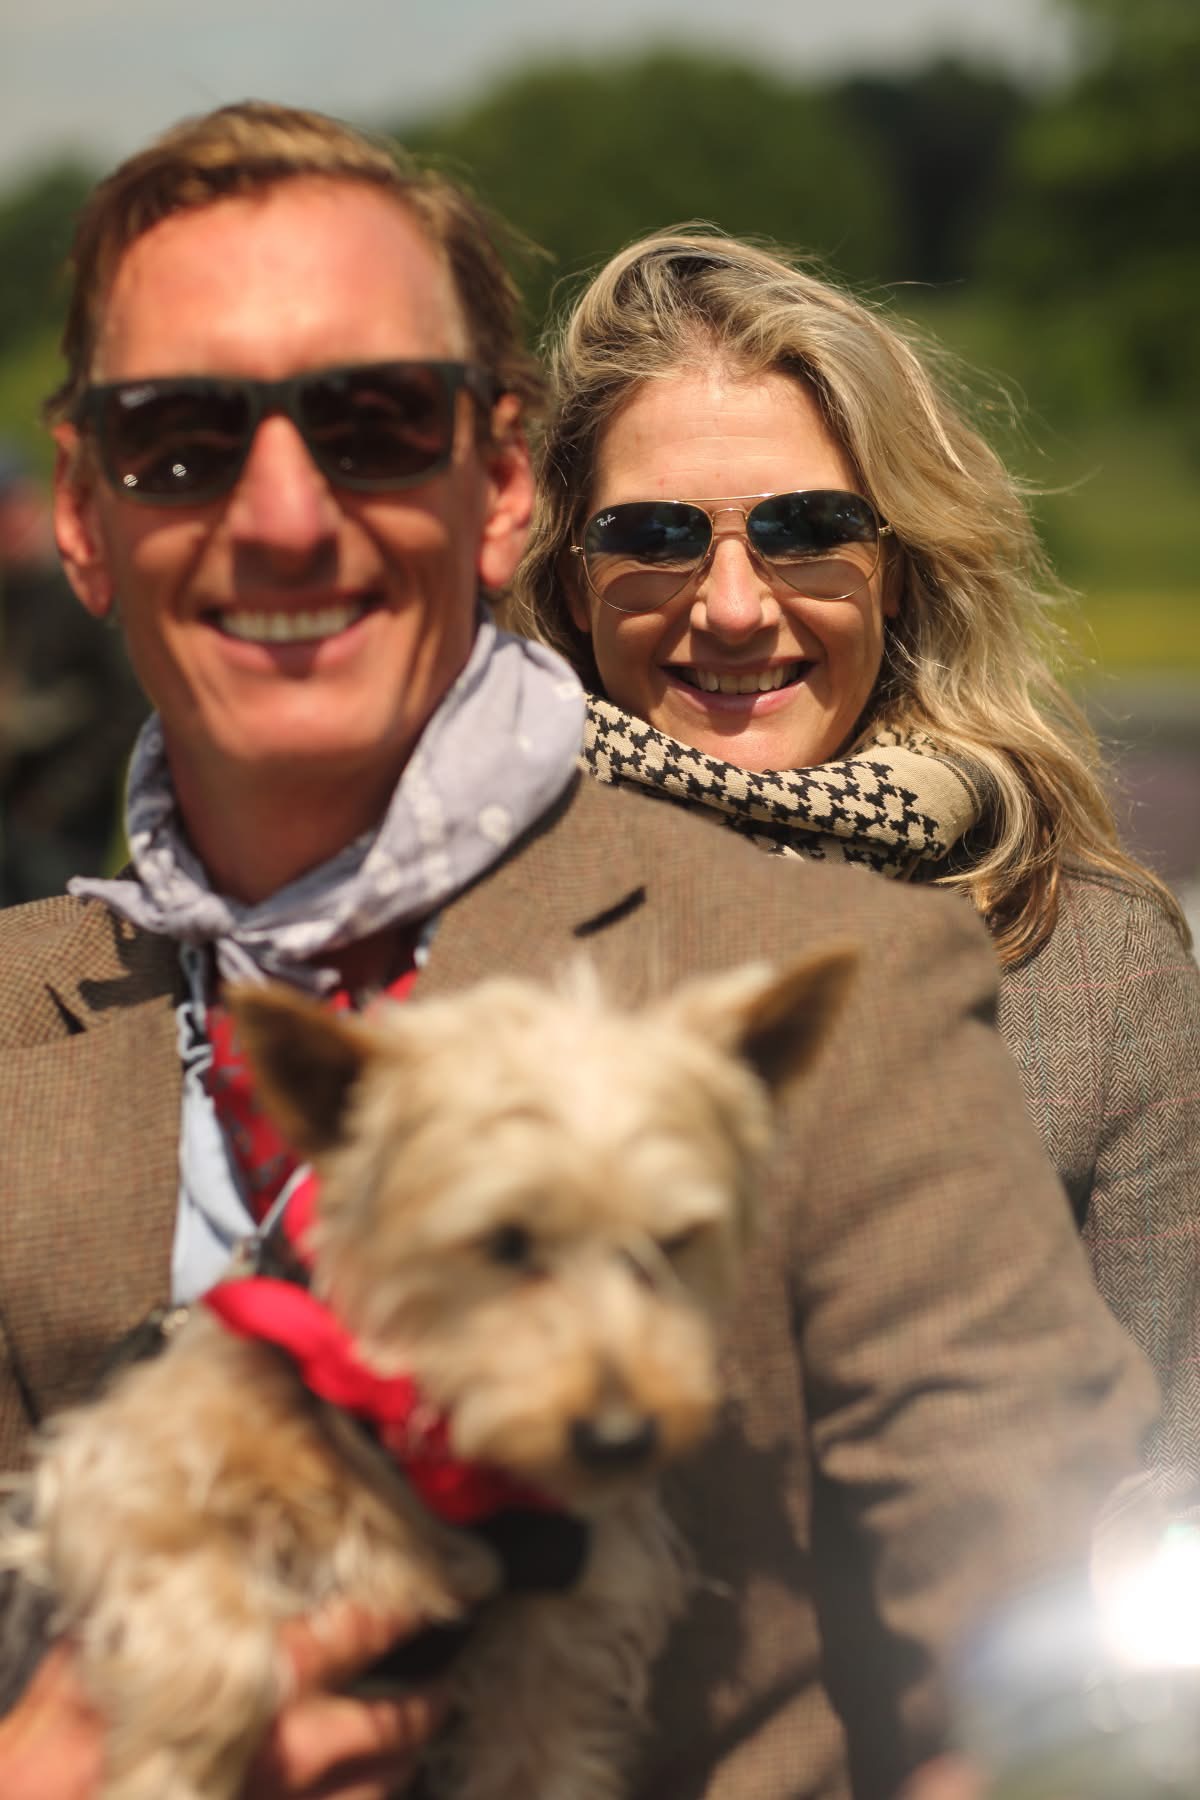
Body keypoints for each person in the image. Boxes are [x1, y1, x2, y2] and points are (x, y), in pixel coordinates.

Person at [0, 105, 1157, 1800]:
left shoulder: (845, 977)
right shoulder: (18, 1020)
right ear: (84, 516)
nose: (284, 516)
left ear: (499, 488)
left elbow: (1032, 1677)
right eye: (180, 441)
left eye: (375, 426)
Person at [509, 226, 1200, 1507]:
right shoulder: (461, 916)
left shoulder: (1094, 962)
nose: (732, 605)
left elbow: (1178, 1476)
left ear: (898, 571)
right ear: (572, 578)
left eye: (807, 528)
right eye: (654, 534)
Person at [0, 445, 146, 905]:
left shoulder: (82, 583)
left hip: (64, 816)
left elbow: (126, 703)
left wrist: (58, 798)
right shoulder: (14, 585)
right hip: (17, 808)